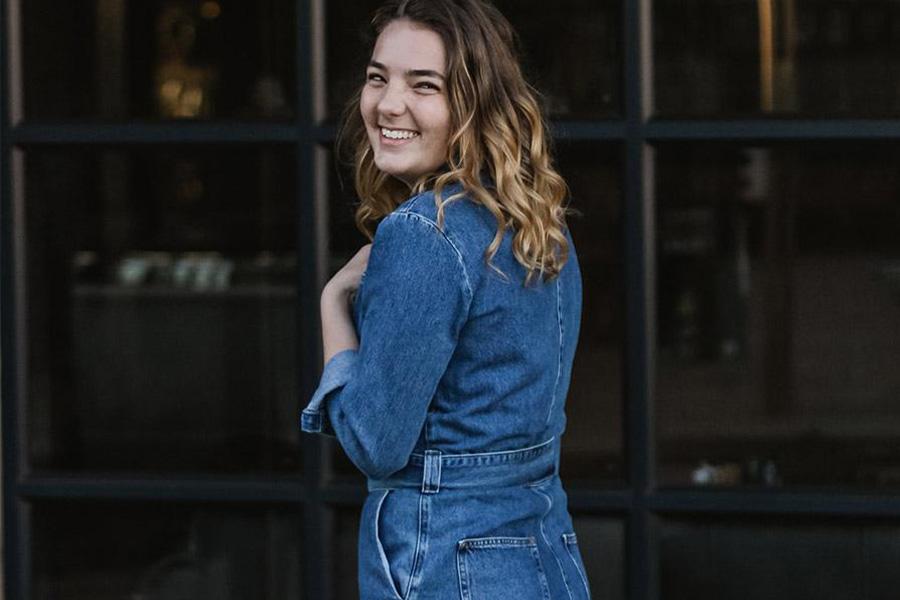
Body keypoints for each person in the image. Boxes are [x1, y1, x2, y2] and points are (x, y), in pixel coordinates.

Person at [300, 1, 590, 598]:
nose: (388, 104)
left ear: (473, 106)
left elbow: (375, 444)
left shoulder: (422, 232)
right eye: (378, 77)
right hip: (544, 558)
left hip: (448, 564)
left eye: (423, 85)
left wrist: (333, 303)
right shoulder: (537, 225)